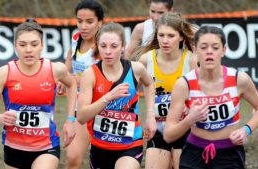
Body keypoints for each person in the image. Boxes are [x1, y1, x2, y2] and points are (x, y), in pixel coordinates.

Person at [0, 19, 77, 169]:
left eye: (34, 44)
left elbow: (72, 84)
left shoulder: (56, 70)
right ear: (15, 46)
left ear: (42, 45)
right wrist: (0, 117)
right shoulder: (4, 73)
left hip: (46, 147)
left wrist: (70, 119)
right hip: (14, 149)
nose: (28, 50)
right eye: (23, 45)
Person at [164, 26, 258, 169]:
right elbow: (168, 135)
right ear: (195, 49)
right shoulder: (184, 84)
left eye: (215, 47)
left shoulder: (240, 79)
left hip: (229, 153)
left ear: (224, 50)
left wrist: (246, 129)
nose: (209, 52)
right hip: (194, 152)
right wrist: (190, 119)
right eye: (203, 47)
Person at [77, 22, 157, 169]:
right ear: (97, 46)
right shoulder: (90, 74)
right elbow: (82, 117)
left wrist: (151, 115)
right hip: (100, 146)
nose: (108, 51)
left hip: (131, 143)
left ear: (122, 47)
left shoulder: (136, 69)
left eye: (114, 46)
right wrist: (109, 97)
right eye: (103, 46)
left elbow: (150, 83)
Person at [138, 12, 197, 169]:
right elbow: (130, 93)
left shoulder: (191, 60)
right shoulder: (145, 60)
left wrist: (189, 106)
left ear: (181, 37)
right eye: (161, 35)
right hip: (156, 127)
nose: (165, 40)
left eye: (171, 36)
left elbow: (203, 95)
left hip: (184, 127)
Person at [63, 0, 104, 169]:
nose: (83, 26)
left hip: (102, 109)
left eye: (89, 21)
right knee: (72, 158)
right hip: (80, 108)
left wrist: (75, 80)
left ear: (100, 22)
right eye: (80, 21)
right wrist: (63, 77)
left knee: (101, 162)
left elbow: (106, 78)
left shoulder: (105, 46)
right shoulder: (75, 39)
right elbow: (69, 58)